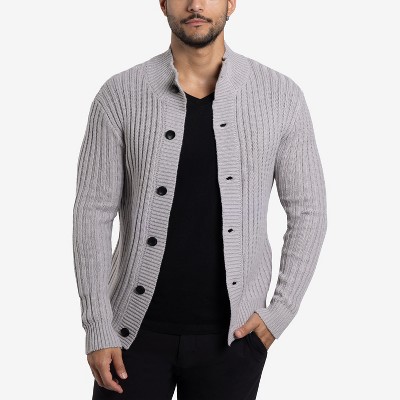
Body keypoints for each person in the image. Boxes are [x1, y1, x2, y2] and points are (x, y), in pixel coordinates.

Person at [72, 0, 328, 398]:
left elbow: (309, 210)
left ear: (231, 3)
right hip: (129, 335)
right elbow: (92, 213)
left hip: (234, 339)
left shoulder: (280, 96)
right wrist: (97, 325)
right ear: (162, 4)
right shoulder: (120, 94)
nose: (195, 5)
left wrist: (280, 312)